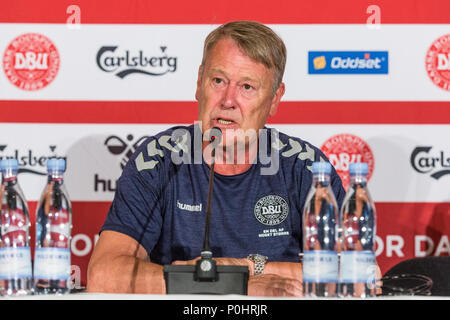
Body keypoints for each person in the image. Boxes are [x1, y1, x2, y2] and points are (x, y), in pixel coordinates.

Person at [87, 20, 346, 296]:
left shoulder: (304, 167)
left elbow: (357, 271)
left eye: (247, 87)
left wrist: (241, 267)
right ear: (199, 83)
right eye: (218, 80)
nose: (228, 100)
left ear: (274, 99)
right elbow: (102, 274)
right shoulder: (158, 160)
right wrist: (232, 283)